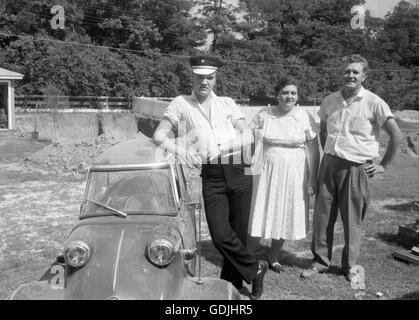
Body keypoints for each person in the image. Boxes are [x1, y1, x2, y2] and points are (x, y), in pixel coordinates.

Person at [153, 56, 268, 300]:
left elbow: (248, 136)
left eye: (209, 77)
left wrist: (224, 147)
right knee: (219, 234)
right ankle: (256, 269)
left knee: (237, 232)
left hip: (238, 168)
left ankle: (231, 283)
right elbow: (159, 136)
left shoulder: (227, 103)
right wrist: (182, 151)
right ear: (192, 77)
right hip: (212, 175)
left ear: (216, 78)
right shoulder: (180, 103)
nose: (204, 81)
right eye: (199, 77)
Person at [300, 54, 402, 283]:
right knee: (322, 217)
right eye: (347, 71)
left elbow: (396, 135)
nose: (351, 75)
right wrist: (329, 152)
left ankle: (349, 266)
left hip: (357, 169)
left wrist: (383, 165)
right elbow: (324, 130)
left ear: (364, 76)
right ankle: (320, 262)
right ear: (341, 74)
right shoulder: (329, 100)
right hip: (329, 164)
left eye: (356, 72)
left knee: (352, 220)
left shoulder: (374, 102)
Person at [248, 76, 320, 273]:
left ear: (298, 96)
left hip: (295, 172)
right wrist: (248, 169)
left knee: (285, 211)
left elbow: (313, 149)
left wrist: (313, 177)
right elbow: (248, 142)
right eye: (285, 93)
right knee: (260, 210)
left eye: (293, 93)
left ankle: (273, 257)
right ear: (277, 95)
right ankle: (246, 256)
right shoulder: (264, 115)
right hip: (267, 171)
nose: (289, 96)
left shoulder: (304, 116)